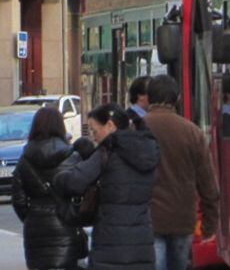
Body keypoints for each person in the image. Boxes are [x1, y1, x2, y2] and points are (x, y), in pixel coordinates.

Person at [53, 103, 160, 269]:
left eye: (95, 131)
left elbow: (75, 182)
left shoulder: (107, 151)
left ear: (110, 125)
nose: (94, 138)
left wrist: (57, 179)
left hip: (110, 246)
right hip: (142, 245)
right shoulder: (147, 151)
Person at [142, 75, 219, 270]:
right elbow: (207, 183)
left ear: (149, 98)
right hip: (182, 217)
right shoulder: (192, 132)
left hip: (147, 218)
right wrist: (209, 224)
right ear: (176, 99)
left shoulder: (137, 129)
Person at [11, 107, 88, 269]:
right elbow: (82, 189)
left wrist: (32, 215)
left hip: (36, 229)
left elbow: (18, 199)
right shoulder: (72, 157)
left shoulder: (25, 159)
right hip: (66, 223)